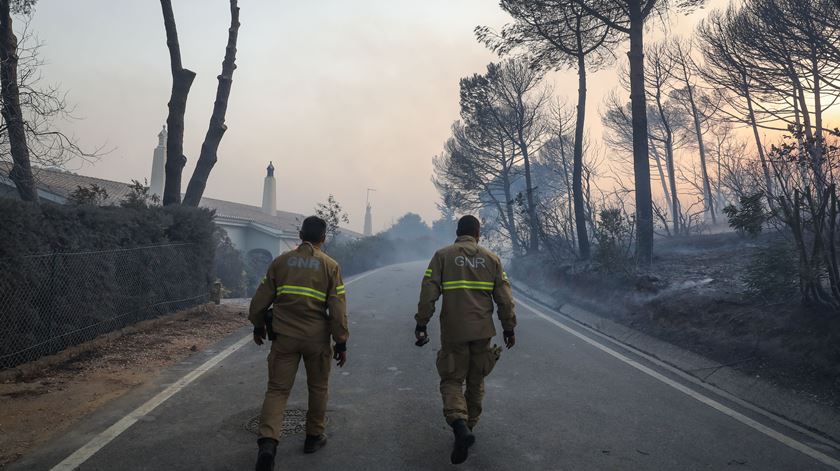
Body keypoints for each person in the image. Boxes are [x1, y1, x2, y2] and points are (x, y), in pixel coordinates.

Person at [248, 216, 349, 471]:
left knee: (277, 390)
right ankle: (314, 437)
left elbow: (260, 299)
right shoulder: (330, 266)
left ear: (301, 234)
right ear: (323, 238)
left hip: (284, 338)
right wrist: (341, 343)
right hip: (316, 340)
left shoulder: (280, 262)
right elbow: (337, 310)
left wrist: (258, 325)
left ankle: (268, 445)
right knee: (318, 388)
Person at [414, 215, 517, 465]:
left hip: (454, 330)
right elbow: (505, 299)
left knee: (451, 379)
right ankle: (469, 426)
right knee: (476, 379)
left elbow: (428, 292)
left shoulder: (442, 256)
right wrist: (509, 327)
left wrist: (421, 323)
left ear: (457, 232)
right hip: (482, 331)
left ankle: (460, 426)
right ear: (478, 234)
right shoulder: (492, 259)